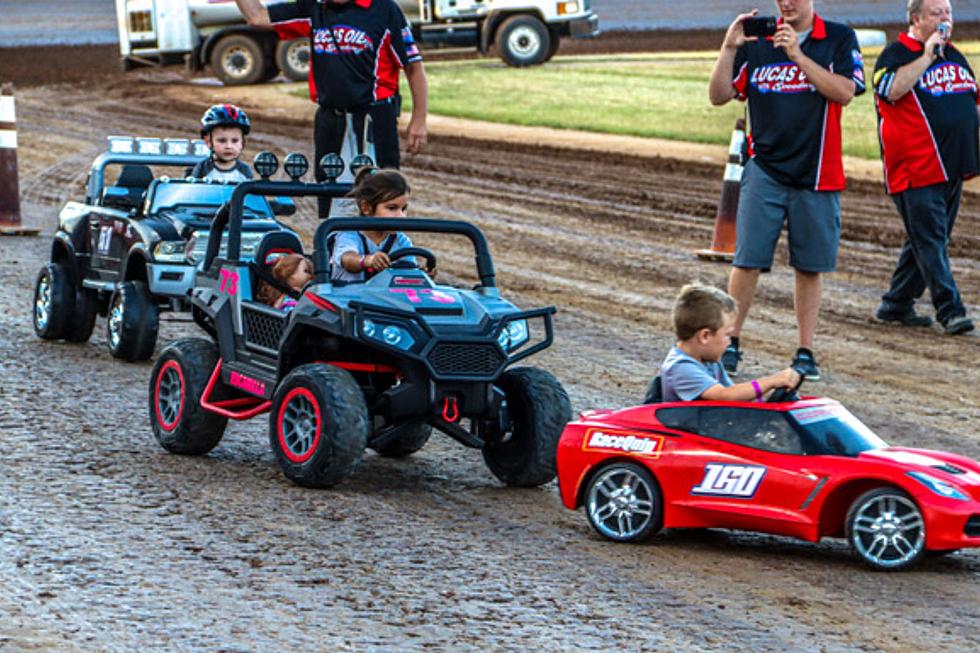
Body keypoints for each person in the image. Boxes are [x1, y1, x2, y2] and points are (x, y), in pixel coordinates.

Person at [707, 1, 866, 381]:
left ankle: (805, 350)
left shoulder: (839, 39)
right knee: (747, 260)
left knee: (809, 265)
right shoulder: (758, 42)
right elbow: (718, 95)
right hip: (765, 168)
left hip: (817, 170)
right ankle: (731, 341)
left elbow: (844, 91)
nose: (787, 4)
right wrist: (729, 48)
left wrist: (798, 55)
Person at [234, 0, 429, 217]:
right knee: (329, 190)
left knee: (382, 193)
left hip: (374, 119)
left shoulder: (384, 9)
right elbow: (257, 17)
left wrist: (419, 120)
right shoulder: (314, 7)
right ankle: (333, 245)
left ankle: (381, 248)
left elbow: (413, 66)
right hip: (330, 118)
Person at [872, 0, 976, 335]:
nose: (946, 18)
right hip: (915, 166)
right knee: (931, 242)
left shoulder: (956, 56)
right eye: (936, 13)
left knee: (928, 239)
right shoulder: (896, 54)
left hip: (952, 166)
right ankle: (950, 310)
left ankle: (896, 304)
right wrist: (927, 55)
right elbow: (891, 90)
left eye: (948, 12)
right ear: (916, 19)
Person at [661, 284, 801, 403]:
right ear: (705, 336)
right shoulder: (681, 368)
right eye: (727, 335)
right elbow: (726, 396)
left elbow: (738, 396)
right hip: (688, 431)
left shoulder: (709, 361)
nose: (729, 342)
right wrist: (770, 381)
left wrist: (767, 397)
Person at [331, 167, 435, 281]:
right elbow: (347, 259)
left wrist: (421, 275)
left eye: (404, 208)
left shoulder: (401, 241)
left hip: (384, 297)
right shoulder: (350, 234)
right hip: (345, 296)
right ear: (366, 208)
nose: (401, 216)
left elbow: (407, 271)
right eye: (392, 208)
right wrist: (368, 261)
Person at [191, 104, 254, 182]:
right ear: (208, 142)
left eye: (235, 141)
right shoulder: (202, 169)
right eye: (222, 140)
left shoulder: (245, 171)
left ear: (243, 142)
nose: (229, 146)